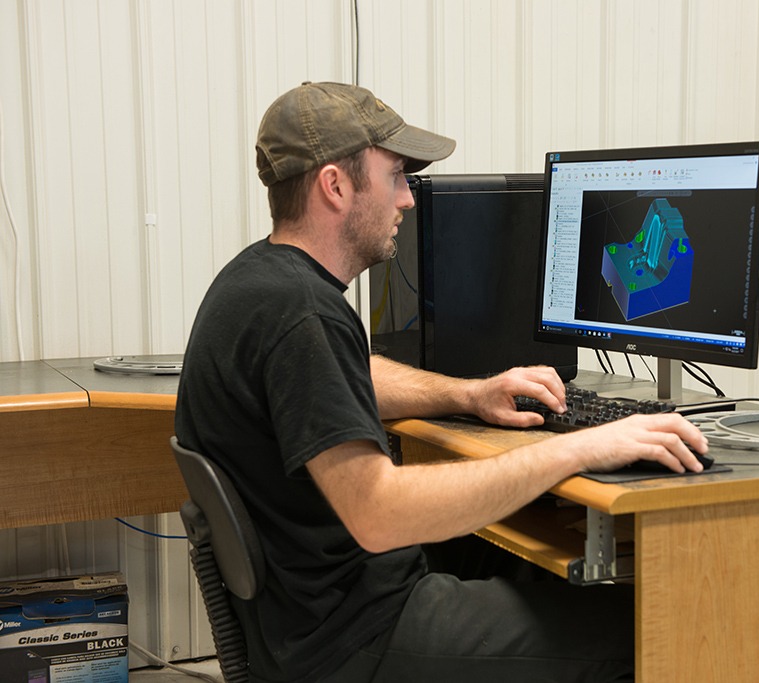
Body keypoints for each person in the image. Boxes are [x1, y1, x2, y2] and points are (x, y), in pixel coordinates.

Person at [175, 81, 710, 683]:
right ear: (336, 185)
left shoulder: (257, 283)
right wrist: (581, 446)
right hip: (353, 638)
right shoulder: (302, 314)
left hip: (307, 616)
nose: (408, 198)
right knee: (647, 624)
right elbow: (378, 512)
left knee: (532, 560)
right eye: (397, 175)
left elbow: (342, 379)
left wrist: (468, 393)